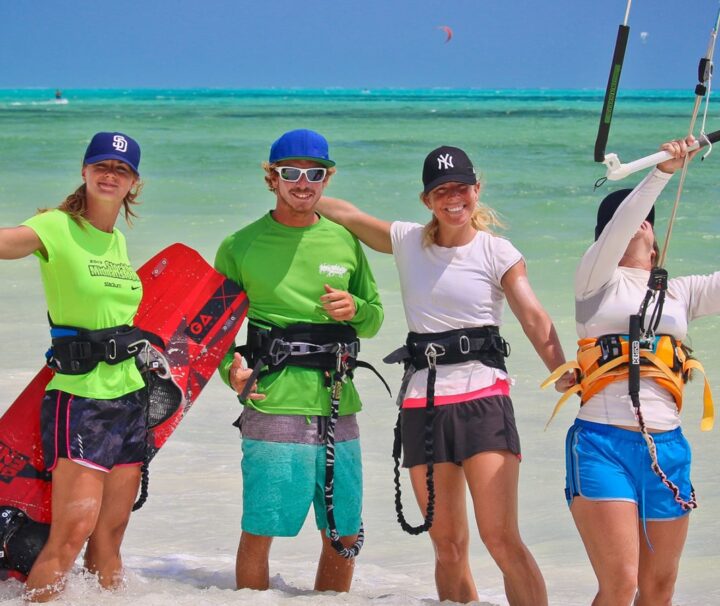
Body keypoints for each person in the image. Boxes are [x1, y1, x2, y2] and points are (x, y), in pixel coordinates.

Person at [316, 145, 571, 605]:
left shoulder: (498, 252)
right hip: (423, 405)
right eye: (441, 191)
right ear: (426, 200)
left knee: (501, 539)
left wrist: (563, 369)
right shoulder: (407, 240)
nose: (453, 198)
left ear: (477, 190)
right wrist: (300, 188)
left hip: (483, 401)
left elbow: (533, 316)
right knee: (447, 546)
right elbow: (347, 214)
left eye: (461, 188)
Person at [548, 137, 717, 605]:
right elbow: (622, 222)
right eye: (620, 224)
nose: (635, 222)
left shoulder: (681, 292)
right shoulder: (594, 281)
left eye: (645, 219)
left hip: (668, 448)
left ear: (656, 234)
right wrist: (662, 171)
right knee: (622, 584)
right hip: (602, 443)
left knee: (660, 587)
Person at [214, 128, 383, 593]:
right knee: (261, 528)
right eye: (290, 173)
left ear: (328, 178)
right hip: (272, 400)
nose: (302, 182)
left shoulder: (345, 242)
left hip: (338, 403)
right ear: (272, 178)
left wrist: (357, 310)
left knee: (344, 530)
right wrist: (231, 367)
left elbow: (374, 317)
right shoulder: (239, 245)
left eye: (314, 173)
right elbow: (212, 328)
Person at [0, 132, 146, 601]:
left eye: (121, 170)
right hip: (80, 398)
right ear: (84, 172)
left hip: (129, 397)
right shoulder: (56, 227)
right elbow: (11, 242)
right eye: (101, 165)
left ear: (133, 184)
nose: (110, 174)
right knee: (71, 534)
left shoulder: (117, 241)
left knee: (110, 536)